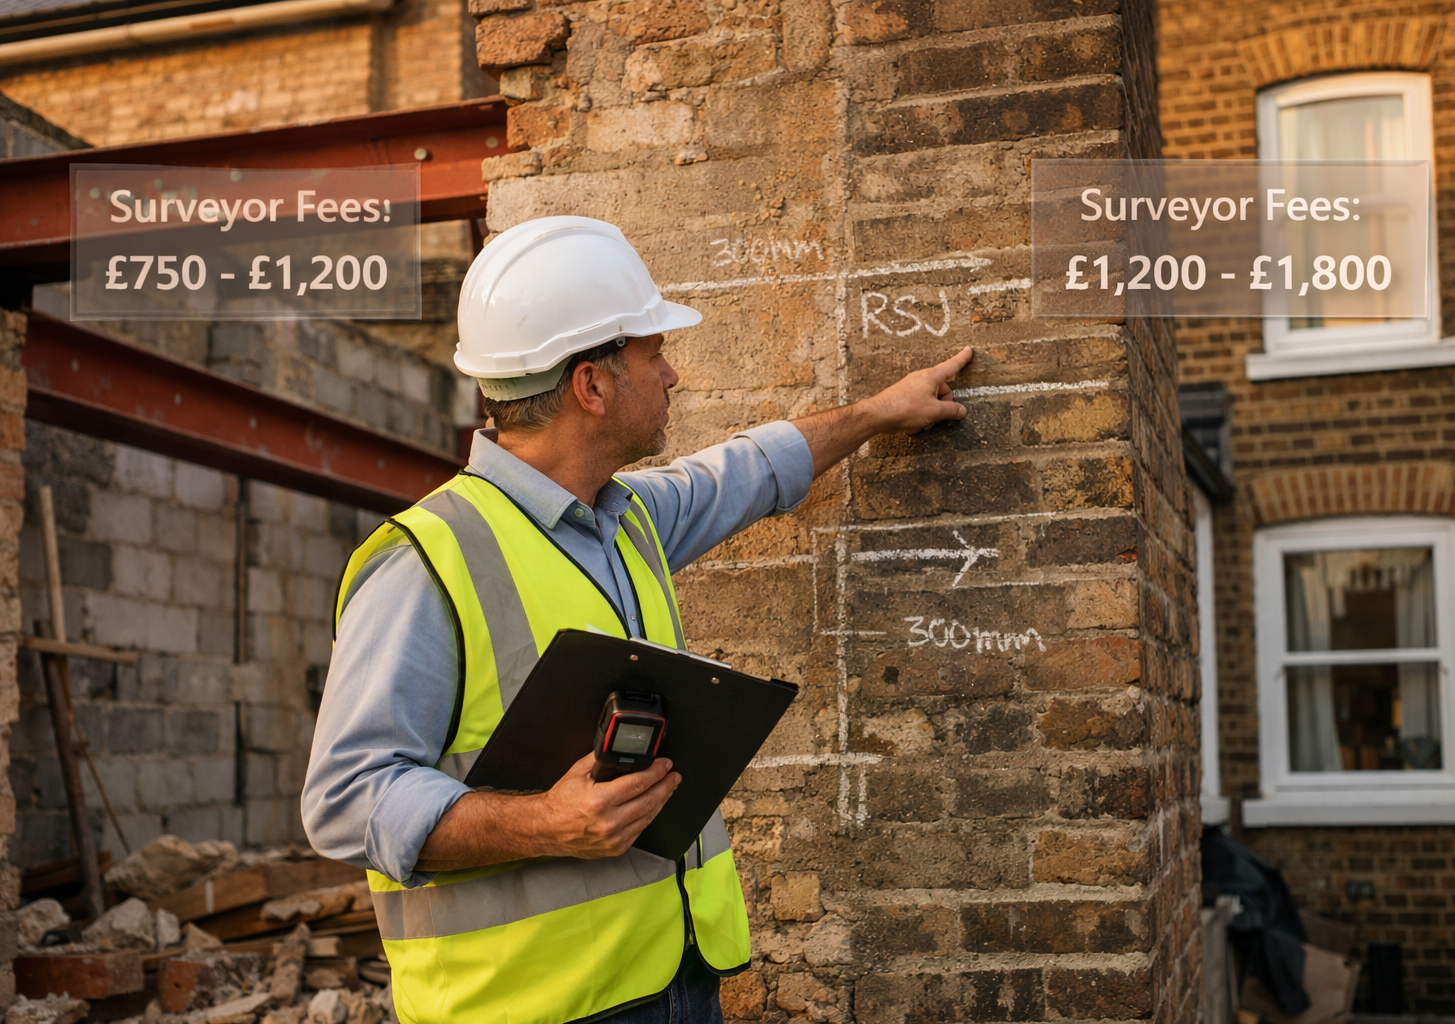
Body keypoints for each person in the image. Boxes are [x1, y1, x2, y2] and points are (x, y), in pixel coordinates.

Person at [301, 216, 973, 1024]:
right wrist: (545, 823)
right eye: (654, 355)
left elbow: (749, 471)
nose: (674, 375)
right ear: (593, 385)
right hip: (532, 1006)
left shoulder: (629, 520)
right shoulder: (425, 560)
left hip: (675, 979)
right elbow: (345, 798)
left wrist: (874, 414)